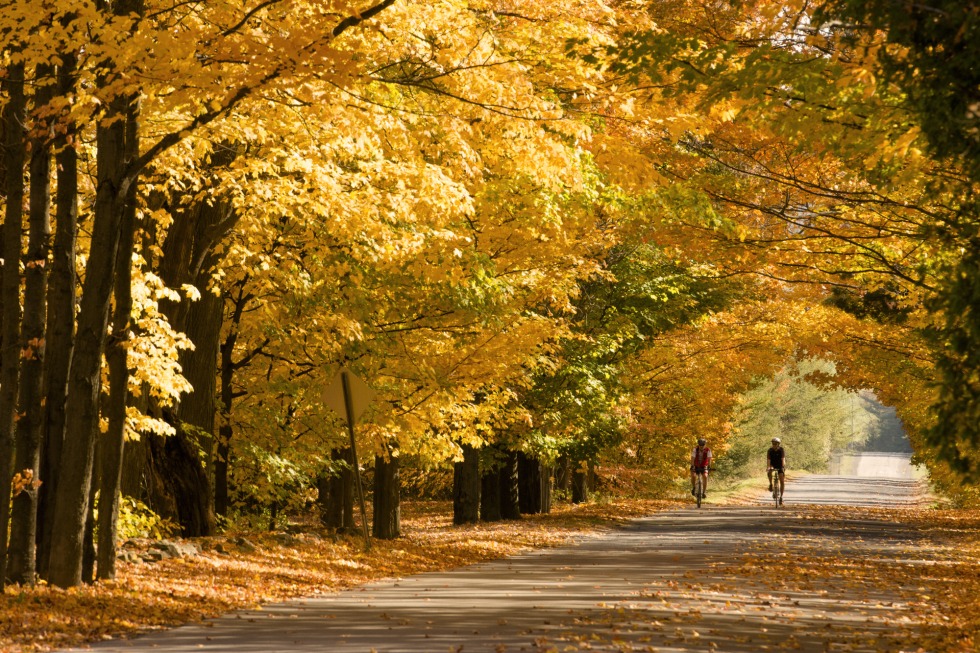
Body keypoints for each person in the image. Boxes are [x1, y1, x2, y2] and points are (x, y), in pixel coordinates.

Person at [767, 437, 786, 505]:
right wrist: (768, 467)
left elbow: (783, 459)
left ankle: (781, 496)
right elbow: (768, 460)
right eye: (773, 443)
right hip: (773, 465)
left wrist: (783, 467)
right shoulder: (770, 450)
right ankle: (771, 484)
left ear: (778, 444)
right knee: (769, 471)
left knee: (782, 481)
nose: (774, 445)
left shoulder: (781, 450)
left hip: (780, 465)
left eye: (775, 444)